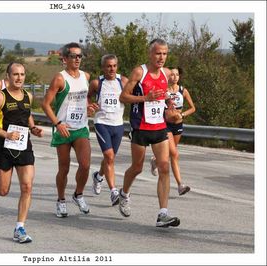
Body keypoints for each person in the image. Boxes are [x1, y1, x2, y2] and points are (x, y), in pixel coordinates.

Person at [119, 39, 180, 227]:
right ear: (150, 54)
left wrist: (169, 105)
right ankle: (124, 193)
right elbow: (123, 96)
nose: (161, 57)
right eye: (158, 53)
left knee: (164, 167)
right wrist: (146, 98)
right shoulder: (140, 72)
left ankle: (163, 214)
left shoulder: (167, 73)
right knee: (136, 167)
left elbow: (165, 94)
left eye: (164, 54)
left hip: (160, 127)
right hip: (141, 127)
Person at [0, 62, 44, 244]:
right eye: (15, 74)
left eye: (22, 74)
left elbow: (26, 114)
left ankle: (19, 227)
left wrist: (33, 128)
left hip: (24, 145)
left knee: (27, 186)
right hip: (4, 146)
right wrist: (7, 134)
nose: (19, 78)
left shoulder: (28, 96)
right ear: (8, 76)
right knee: (3, 191)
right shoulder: (1, 97)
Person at [42, 42, 98, 218]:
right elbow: (45, 104)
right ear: (65, 59)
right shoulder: (60, 78)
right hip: (64, 129)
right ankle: (60, 200)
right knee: (64, 168)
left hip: (81, 128)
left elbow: (84, 98)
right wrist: (58, 124)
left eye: (80, 56)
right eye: (74, 56)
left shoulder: (86, 76)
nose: (77, 59)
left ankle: (78, 194)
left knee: (86, 164)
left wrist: (89, 106)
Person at [88, 54, 128, 206]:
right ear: (103, 67)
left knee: (110, 159)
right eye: (108, 66)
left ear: (117, 66)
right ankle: (113, 192)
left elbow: (131, 95)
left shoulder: (123, 81)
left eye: (114, 66)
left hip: (118, 124)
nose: (111, 69)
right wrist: (91, 106)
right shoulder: (97, 83)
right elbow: (88, 97)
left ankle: (98, 176)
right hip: (102, 123)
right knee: (109, 156)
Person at [150, 67, 196, 195]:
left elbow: (193, 108)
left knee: (171, 152)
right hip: (166, 125)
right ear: (168, 77)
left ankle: (155, 161)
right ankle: (180, 185)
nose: (174, 77)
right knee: (175, 154)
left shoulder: (183, 90)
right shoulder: (163, 90)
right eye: (172, 75)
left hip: (178, 125)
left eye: (177, 75)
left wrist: (183, 115)